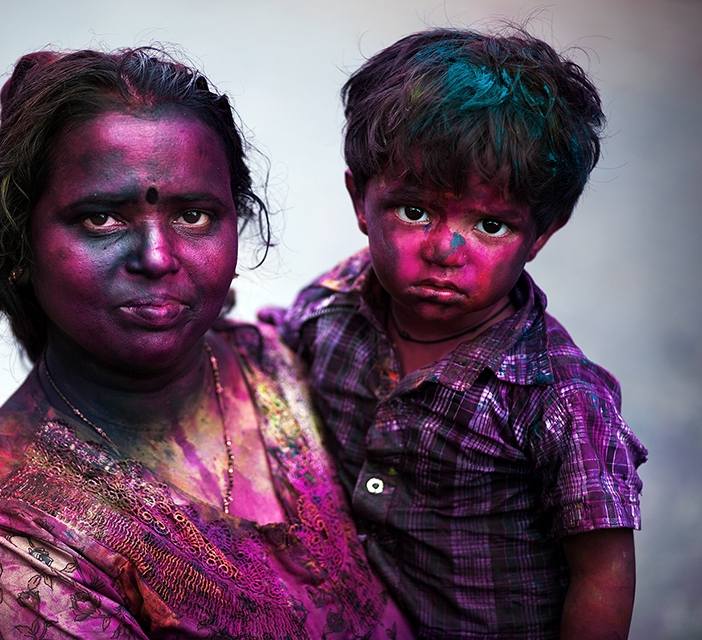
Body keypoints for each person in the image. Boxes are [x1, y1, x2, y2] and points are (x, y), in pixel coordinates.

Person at [0, 47, 410, 639]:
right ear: (17, 245)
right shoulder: (12, 545)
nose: (157, 258)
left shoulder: (292, 361)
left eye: (195, 216)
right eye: (102, 219)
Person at [278, 28, 648, 639]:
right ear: (359, 199)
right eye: (414, 211)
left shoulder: (560, 399)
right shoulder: (333, 306)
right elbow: (269, 350)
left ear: (543, 233)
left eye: (492, 225)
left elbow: (602, 572)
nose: (446, 250)